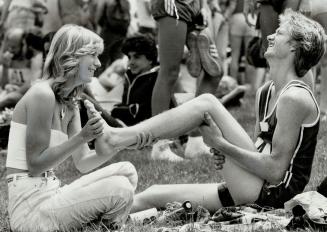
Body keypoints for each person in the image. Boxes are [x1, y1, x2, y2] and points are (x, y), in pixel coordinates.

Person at [90, 9, 325, 212]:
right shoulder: (265, 92)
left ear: (295, 48)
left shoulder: (295, 97)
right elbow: (257, 151)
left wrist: (222, 145)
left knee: (208, 104)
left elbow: (275, 171)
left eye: (280, 33)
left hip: (273, 197)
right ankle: (85, 213)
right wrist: (229, 155)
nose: (271, 35)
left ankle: (121, 137)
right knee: (151, 194)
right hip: (253, 186)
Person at [5, 24, 137, 232]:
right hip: (30, 210)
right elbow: (36, 166)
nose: (99, 63)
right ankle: (104, 225)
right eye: (93, 55)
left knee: (127, 171)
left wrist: (111, 145)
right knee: (120, 189)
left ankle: (97, 224)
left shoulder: (70, 103)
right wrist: (83, 136)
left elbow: (83, 163)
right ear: (73, 56)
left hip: (52, 192)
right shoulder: (42, 94)